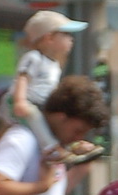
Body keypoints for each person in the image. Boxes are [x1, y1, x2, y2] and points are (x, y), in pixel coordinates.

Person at [7, 9, 87, 150]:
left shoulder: (55, 64)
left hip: (43, 104)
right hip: (28, 103)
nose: (71, 39)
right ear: (49, 38)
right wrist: (20, 101)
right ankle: (51, 149)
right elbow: (23, 78)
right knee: (35, 116)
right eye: (66, 34)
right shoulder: (33, 57)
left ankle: (68, 146)